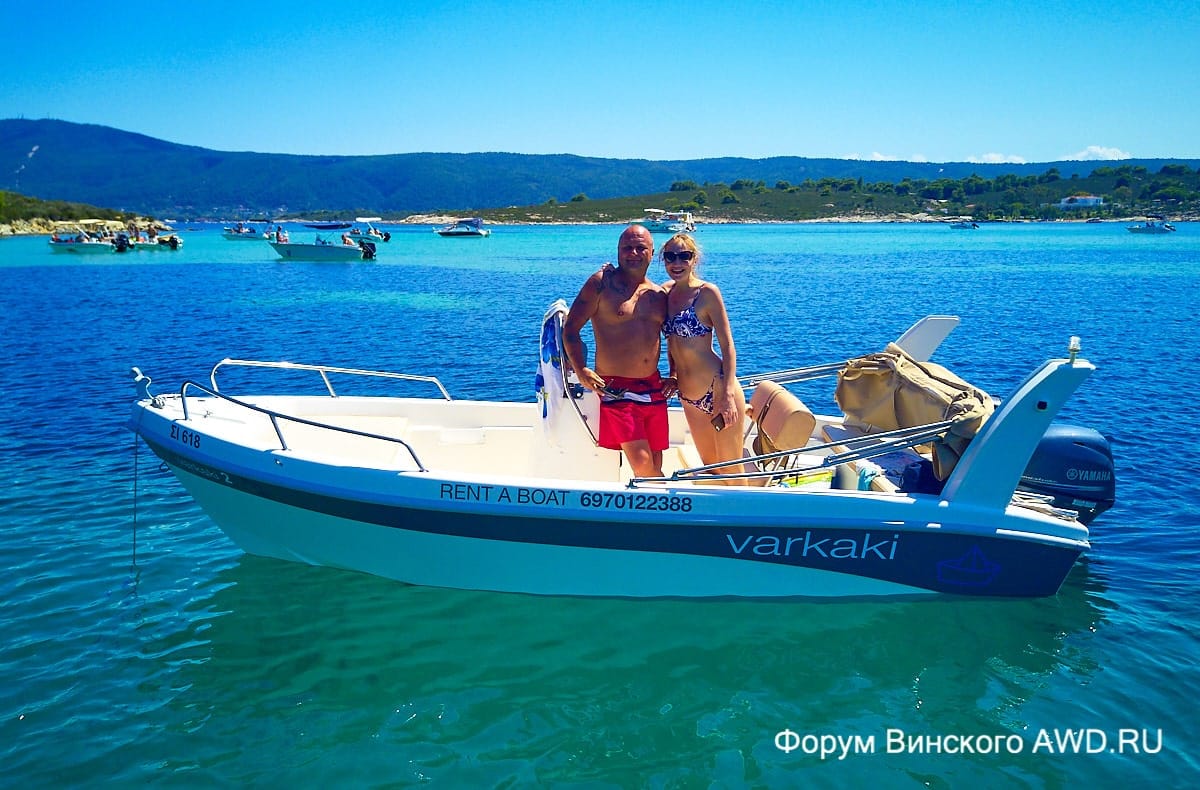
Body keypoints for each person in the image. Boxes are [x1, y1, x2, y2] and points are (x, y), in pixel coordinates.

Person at [563, 225, 673, 478]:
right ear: (618, 251)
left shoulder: (659, 294)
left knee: (656, 463)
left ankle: (653, 501)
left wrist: (675, 373)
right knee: (643, 464)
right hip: (615, 389)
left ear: (652, 252)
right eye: (627, 248)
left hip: (653, 387)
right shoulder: (601, 284)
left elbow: (674, 339)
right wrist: (581, 369)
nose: (633, 253)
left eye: (640, 248)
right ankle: (661, 499)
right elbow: (571, 329)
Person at [660, 233, 749, 483]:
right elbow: (672, 342)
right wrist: (673, 375)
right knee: (712, 469)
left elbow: (728, 347)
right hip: (688, 396)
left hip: (717, 391)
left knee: (731, 469)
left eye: (684, 256)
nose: (677, 263)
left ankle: (748, 508)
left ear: (694, 259)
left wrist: (728, 396)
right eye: (670, 257)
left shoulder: (707, 293)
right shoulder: (664, 294)